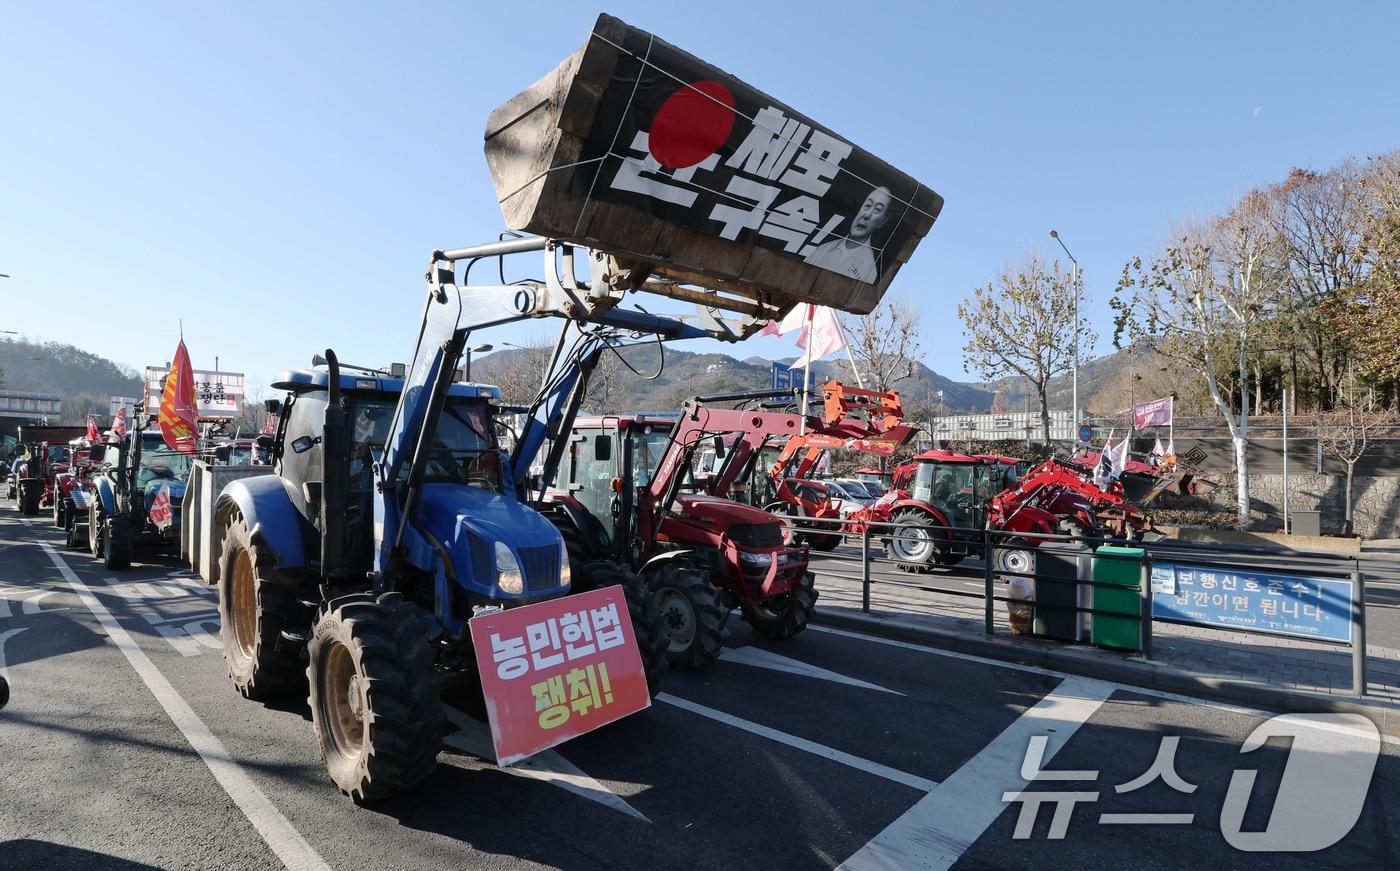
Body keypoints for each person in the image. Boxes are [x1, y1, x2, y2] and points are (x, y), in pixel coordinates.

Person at [803, 185, 892, 282]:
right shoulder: (822, 249)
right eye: (867, 205)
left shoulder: (869, 270)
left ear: (882, 221)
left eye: (877, 209)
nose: (867, 215)